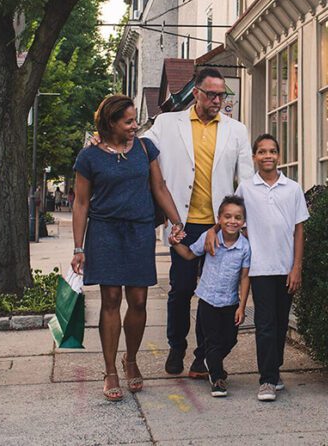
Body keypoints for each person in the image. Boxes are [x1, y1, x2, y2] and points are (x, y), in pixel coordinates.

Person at [140, 67, 254, 378]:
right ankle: (177, 346)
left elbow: (244, 181)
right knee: (182, 289)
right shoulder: (166, 124)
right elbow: (137, 147)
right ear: (197, 93)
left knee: (214, 294)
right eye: (213, 94)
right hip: (183, 225)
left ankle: (203, 355)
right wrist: (104, 139)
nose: (219, 100)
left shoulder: (236, 130)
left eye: (222, 94)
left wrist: (240, 226)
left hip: (220, 227)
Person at [71, 94, 185, 402]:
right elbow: (81, 204)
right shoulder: (89, 157)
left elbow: (159, 187)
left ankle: (130, 358)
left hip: (138, 231)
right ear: (110, 123)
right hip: (105, 232)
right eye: (129, 121)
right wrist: (78, 247)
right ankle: (110, 369)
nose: (135, 126)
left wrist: (176, 222)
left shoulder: (145, 149)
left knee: (138, 299)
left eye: (135, 120)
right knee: (110, 298)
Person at [210, 133, 308, 401]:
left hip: (285, 266)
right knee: (265, 323)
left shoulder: (293, 188)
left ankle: (274, 372)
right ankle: (266, 380)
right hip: (259, 266)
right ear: (254, 157)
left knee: (280, 323)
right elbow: (231, 215)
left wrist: (296, 266)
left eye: (272, 151)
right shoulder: (246, 188)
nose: (267, 156)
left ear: (279, 155)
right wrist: (214, 230)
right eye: (262, 151)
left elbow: (299, 230)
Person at [168, 196, 250, 398]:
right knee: (213, 341)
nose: (232, 221)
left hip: (230, 302)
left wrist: (242, 306)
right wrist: (174, 243)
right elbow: (188, 254)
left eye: (237, 217)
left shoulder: (245, 247)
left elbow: (245, 277)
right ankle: (217, 378)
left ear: (243, 221)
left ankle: (207, 361)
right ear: (219, 219)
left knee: (229, 340)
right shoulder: (209, 238)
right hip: (208, 300)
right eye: (227, 216)